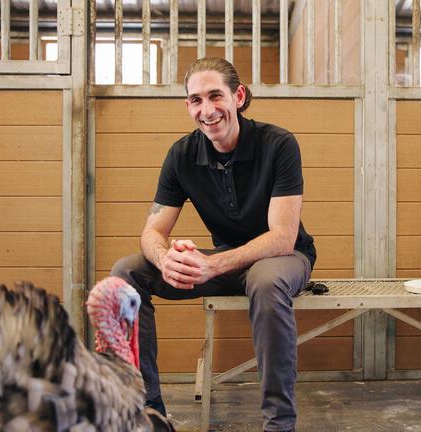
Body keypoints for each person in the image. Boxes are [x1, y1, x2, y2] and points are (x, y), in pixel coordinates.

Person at [110, 57, 316, 432]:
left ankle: (279, 425)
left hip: (283, 257)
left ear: (238, 96)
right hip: (225, 261)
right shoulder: (182, 154)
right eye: (195, 100)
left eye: (215, 96)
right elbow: (152, 232)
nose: (206, 110)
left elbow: (282, 237)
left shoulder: (279, 144)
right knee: (127, 272)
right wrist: (165, 257)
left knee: (267, 282)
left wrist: (215, 265)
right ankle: (149, 414)